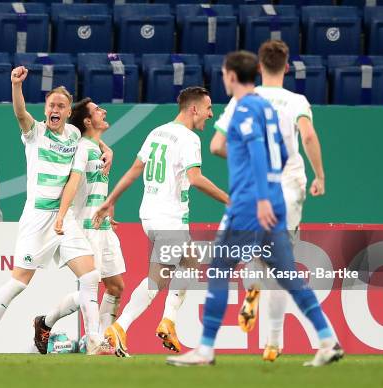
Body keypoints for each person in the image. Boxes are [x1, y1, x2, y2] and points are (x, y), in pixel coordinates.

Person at [166, 51, 343, 367]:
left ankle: (205, 348)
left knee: (220, 270)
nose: (223, 78)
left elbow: (256, 152)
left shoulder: (246, 106)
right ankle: (328, 340)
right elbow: (280, 152)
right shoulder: (267, 108)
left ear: (233, 76)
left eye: (223, 74)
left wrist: (259, 198)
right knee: (288, 276)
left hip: (251, 202)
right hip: (275, 198)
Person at [0, 67, 113, 355]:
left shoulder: (73, 134)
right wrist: (15, 86)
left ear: (68, 111)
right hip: (38, 219)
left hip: (65, 219)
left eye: (61, 106)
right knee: (19, 282)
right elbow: (20, 113)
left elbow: (90, 140)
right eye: (51, 106)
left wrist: (106, 148)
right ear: (46, 109)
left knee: (90, 276)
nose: (55, 110)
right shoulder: (35, 132)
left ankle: (95, 339)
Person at [210, 39, 327, 361]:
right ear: (286, 67)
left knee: (250, 255)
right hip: (288, 187)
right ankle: (273, 342)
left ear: (259, 67)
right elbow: (309, 136)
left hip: (251, 189)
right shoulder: (296, 101)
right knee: (281, 266)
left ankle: (252, 287)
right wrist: (320, 176)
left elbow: (218, 145)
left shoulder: (244, 98)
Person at [94, 87, 229, 357]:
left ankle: (167, 321)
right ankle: (120, 327)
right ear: (194, 109)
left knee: (188, 262)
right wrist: (230, 199)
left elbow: (134, 170)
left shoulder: (157, 131)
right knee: (161, 277)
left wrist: (111, 200)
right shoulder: (189, 138)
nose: (211, 114)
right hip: (169, 217)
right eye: (208, 108)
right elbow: (196, 178)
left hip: (150, 214)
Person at [32, 98, 126, 354]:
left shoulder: (99, 149)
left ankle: (50, 323)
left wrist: (109, 208)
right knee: (91, 286)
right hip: (85, 227)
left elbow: (100, 185)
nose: (104, 111)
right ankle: (97, 340)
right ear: (87, 121)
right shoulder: (82, 148)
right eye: (98, 110)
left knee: (116, 287)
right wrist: (61, 216)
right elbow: (73, 183)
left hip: (104, 227)